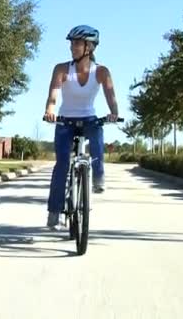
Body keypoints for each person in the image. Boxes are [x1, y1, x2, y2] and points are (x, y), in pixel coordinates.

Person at [42, 25, 119, 229]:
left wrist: (113, 113)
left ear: (89, 47)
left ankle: (98, 176)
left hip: (89, 120)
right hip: (65, 120)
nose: (72, 47)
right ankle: (54, 212)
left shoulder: (101, 72)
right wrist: (50, 110)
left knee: (96, 137)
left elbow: (110, 96)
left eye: (77, 43)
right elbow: (53, 95)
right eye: (72, 43)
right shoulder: (61, 69)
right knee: (62, 163)